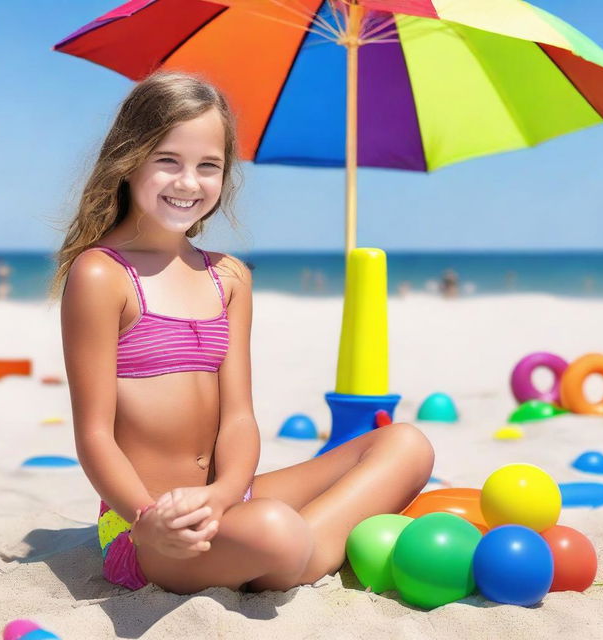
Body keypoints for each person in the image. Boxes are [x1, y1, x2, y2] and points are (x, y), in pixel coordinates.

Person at [49, 71, 434, 596]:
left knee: (407, 443)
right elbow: (94, 435)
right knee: (275, 529)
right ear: (128, 158)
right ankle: (306, 551)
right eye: (168, 160)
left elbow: (238, 417)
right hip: (150, 530)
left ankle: (296, 549)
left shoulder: (228, 276)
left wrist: (227, 493)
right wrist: (146, 518)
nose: (188, 183)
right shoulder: (102, 275)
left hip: (232, 500)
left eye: (208, 166)